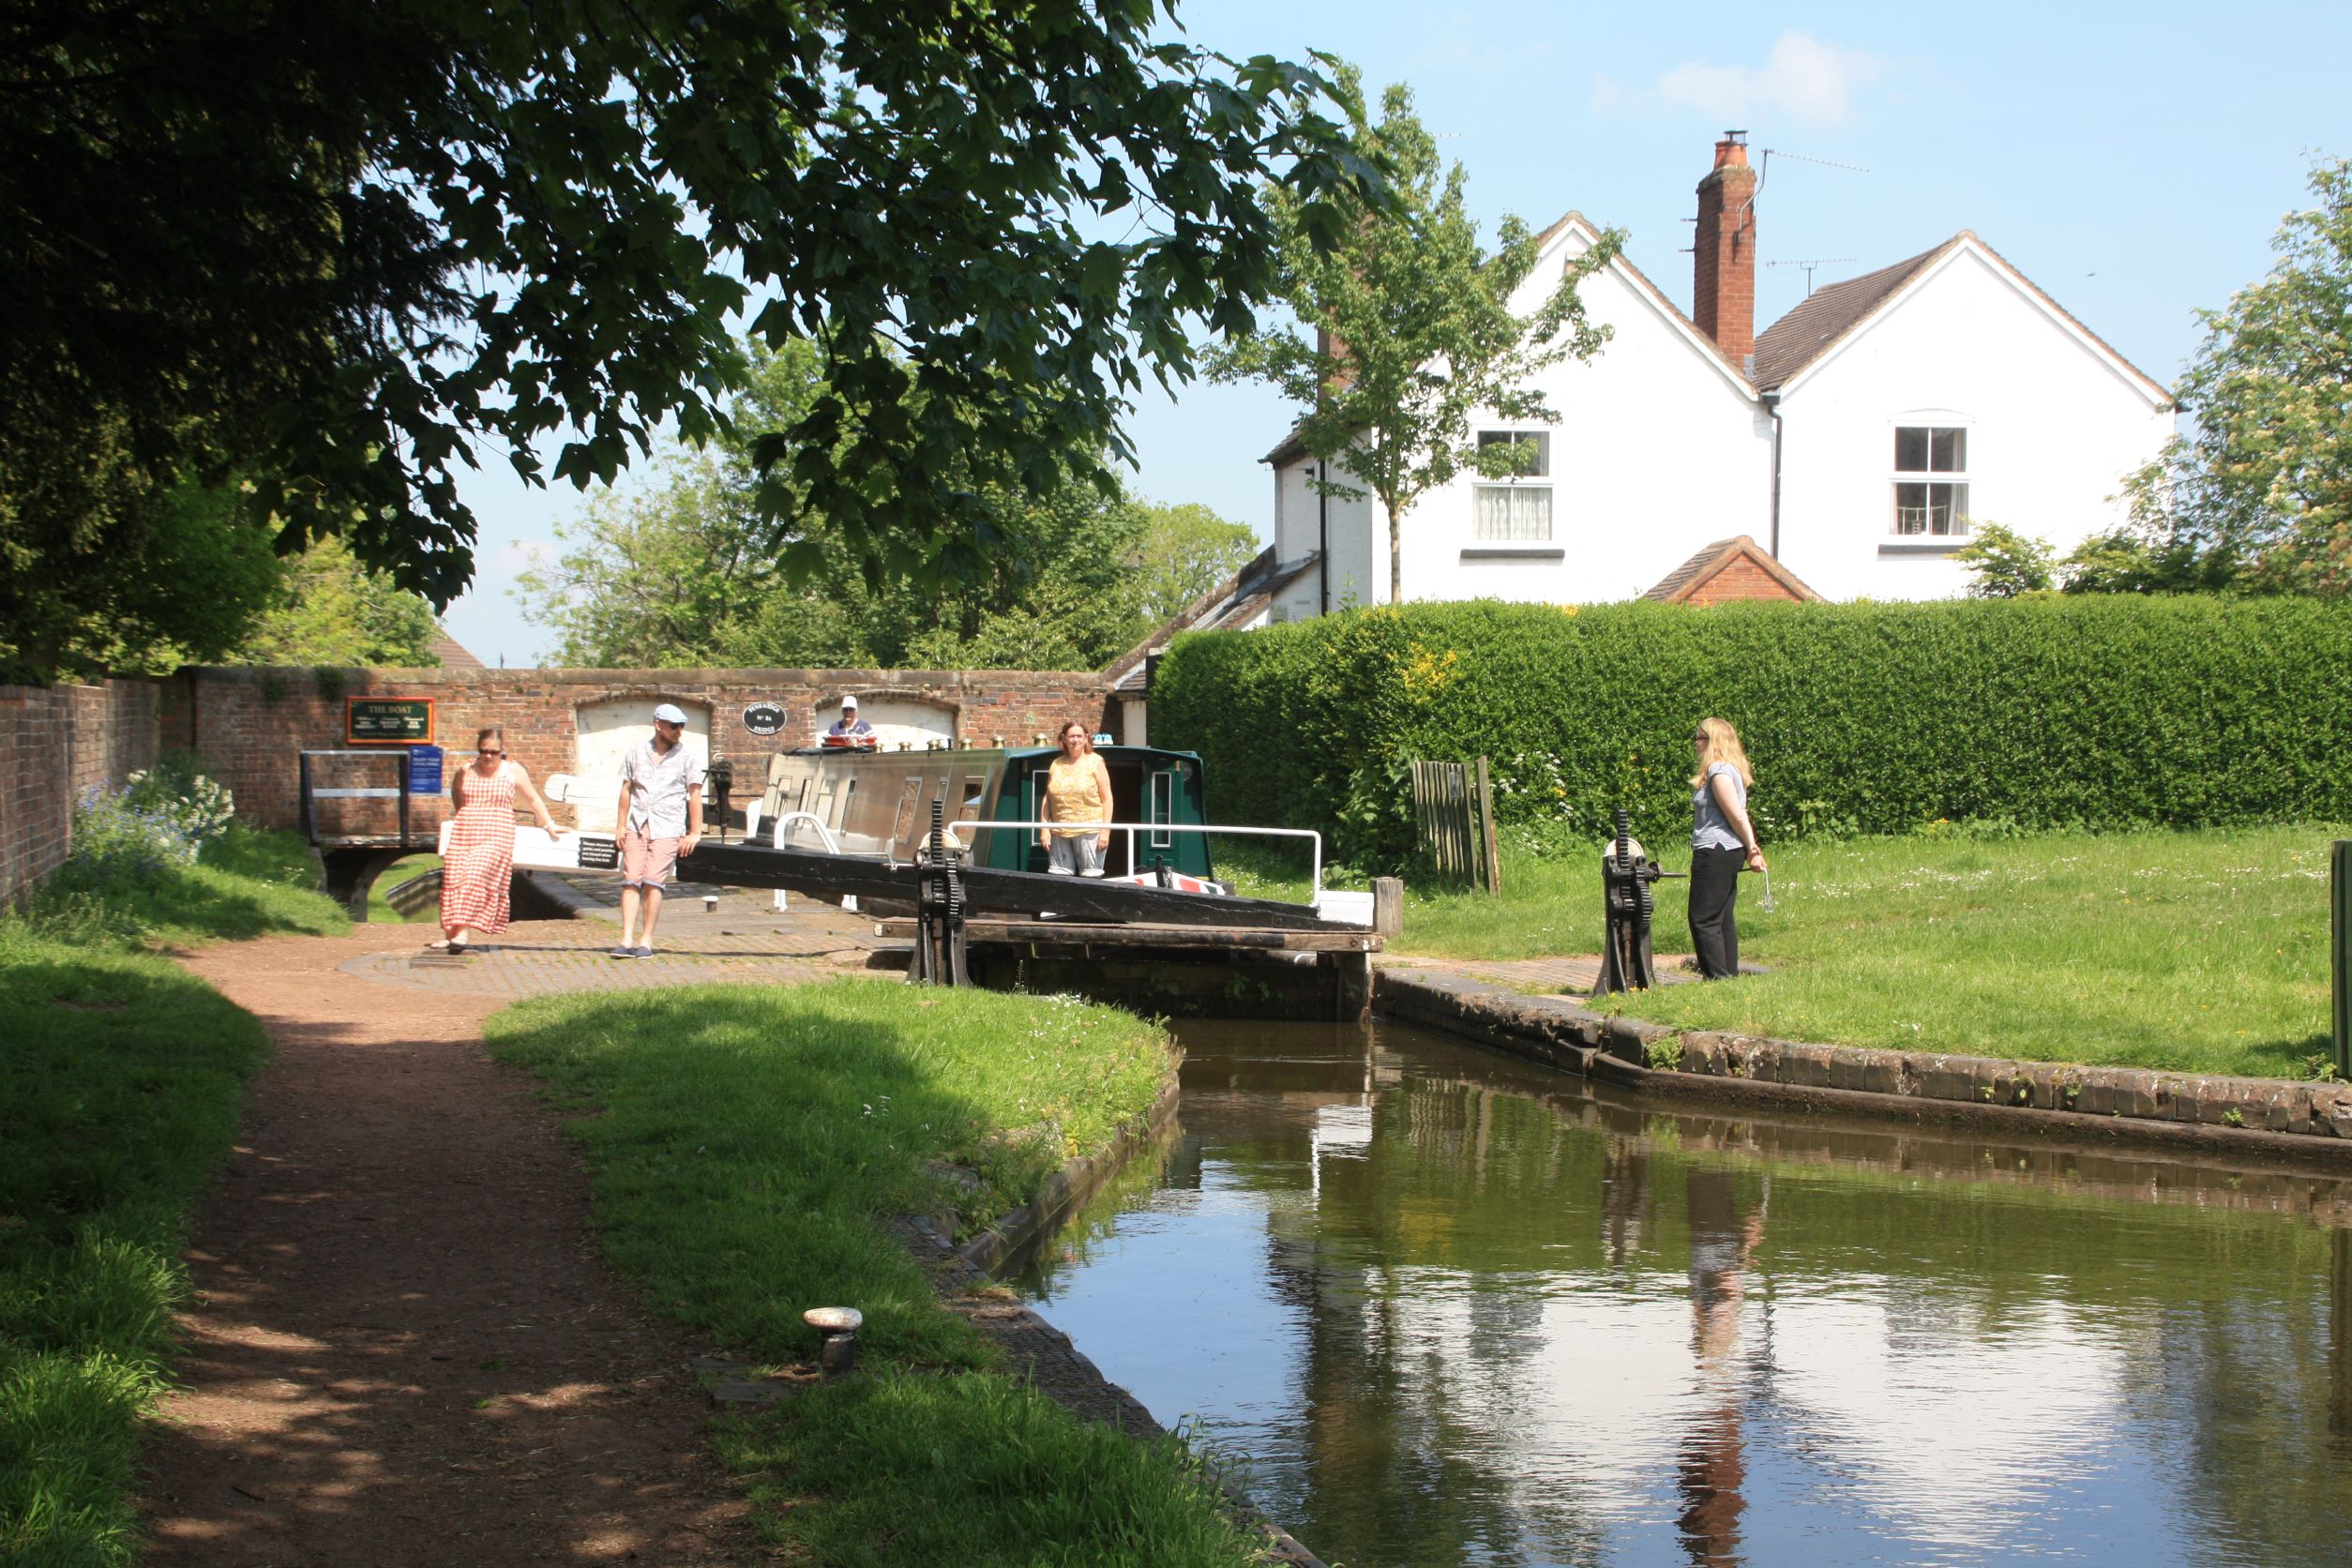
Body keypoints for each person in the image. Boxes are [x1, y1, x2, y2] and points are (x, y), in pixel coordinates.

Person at [435, 727, 565, 954]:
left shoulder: (512, 770)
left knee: (473, 875)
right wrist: (461, 807)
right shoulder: (466, 769)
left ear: (501, 751)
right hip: (466, 831)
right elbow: (456, 791)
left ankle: (463, 933)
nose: (488, 756)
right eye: (483, 751)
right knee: (455, 879)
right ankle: (451, 935)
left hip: (496, 833)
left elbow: (533, 798)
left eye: (493, 752)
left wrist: (549, 823)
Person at [611, 702, 704, 958]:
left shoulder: (688, 756)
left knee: (653, 882)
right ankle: (626, 939)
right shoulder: (636, 752)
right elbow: (626, 789)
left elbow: (694, 794)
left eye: (681, 726)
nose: (678, 731)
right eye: (674, 726)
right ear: (658, 725)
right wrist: (620, 826)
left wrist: (694, 832)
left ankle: (646, 941)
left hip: (668, 826)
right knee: (631, 880)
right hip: (638, 825)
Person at [1688, 716, 1766, 980]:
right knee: (1721, 917)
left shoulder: (1719, 772)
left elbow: (1736, 815)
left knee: (1703, 917)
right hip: (1727, 850)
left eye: (1699, 737)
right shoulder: (1728, 769)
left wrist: (1752, 847)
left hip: (1716, 849)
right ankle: (1728, 976)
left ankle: (1717, 978)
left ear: (1712, 741)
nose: (1695, 743)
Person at [1035, 720, 1113, 877]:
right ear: (1064, 738)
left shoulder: (1095, 761)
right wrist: (1044, 829)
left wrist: (1105, 831)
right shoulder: (1056, 764)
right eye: (1071, 736)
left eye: (1079, 736)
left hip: (1090, 830)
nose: (1075, 740)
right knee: (1059, 876)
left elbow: (1107, 799)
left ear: (1086, 738)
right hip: (1060, 830)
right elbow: (1048, 799)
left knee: (1090, 876)